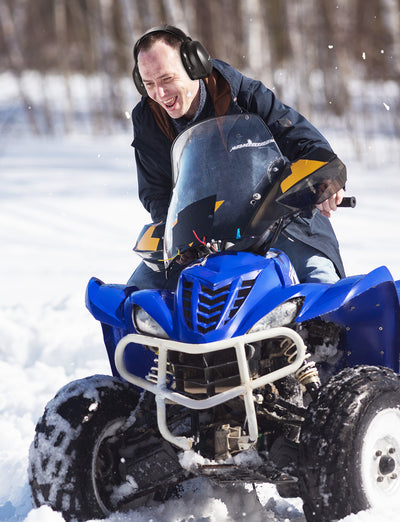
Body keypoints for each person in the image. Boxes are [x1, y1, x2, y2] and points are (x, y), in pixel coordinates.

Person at [127, 25, 345, 289]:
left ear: (194, 65)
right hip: (202, 234)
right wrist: (178, 239)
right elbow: (157, 193)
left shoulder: (243, 95)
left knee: (322, 284)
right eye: (148, 84)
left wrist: (327, 182)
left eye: (166, 79)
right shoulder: (148, 119)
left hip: (278, 218)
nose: (159, 94)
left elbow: (306, 142)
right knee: (135, 298)